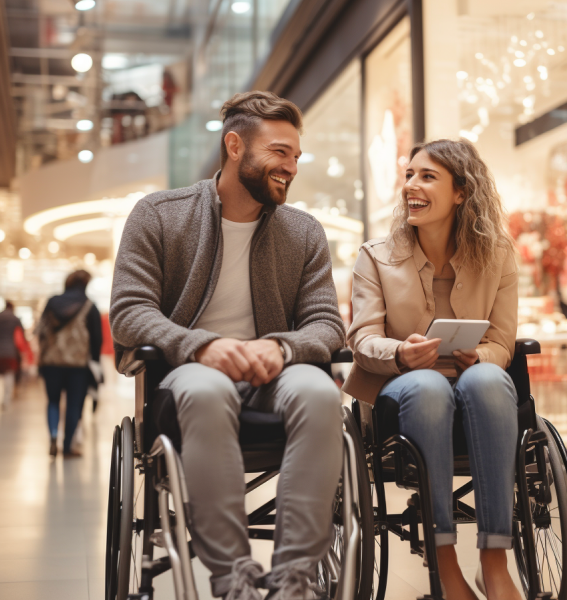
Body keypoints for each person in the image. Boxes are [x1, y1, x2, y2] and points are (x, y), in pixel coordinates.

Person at [110, 91, 345, 600]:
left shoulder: (303, 232)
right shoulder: (159, 215)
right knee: (207, 391)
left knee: (323, 394)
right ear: (235, 146)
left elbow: (327, 324)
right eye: (280, 152)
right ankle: (232, 577)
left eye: (297, 157)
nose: (291, 167)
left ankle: (292, 580)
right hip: (189, 372)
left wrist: (281, 349)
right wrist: (200, 346)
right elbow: (129, 312)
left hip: (275, 372)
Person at [344, 139, 521, 600]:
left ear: (461, 192)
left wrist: (477, 357)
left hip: (476, 388)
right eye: (409, 175)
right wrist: (402, 354)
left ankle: (494, 562)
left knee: (487, 377)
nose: (411, 186)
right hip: (401, 391)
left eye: (427, 176)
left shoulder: (498, 254)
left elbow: (502, 343)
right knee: (426, 385)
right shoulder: (375, 256)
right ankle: (444, 564)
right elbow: (362, 340)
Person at [37, 270, 103, 458]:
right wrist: (95, 363)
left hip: (51, 361)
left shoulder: (51, 302)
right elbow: (97, 339)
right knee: (74, 405)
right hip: (78, 364)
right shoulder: (90, 306)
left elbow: (41, 330)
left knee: (52, 401)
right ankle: (67, 447)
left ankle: (53, 436)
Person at [0, 301, 29, 408]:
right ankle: (6, 401)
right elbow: (22, 334)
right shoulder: (15, 318)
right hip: (10, 351)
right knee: (8, 375)